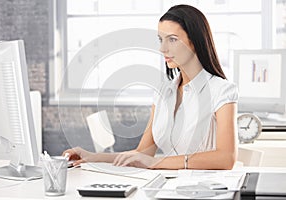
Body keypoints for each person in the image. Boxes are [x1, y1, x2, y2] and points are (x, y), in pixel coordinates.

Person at [62, 4, 238, 170]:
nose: (162, 48)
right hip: (166, 185)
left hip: (206, 189)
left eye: (172, 40)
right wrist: (92, 157)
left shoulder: (221, 91)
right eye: (161, 40)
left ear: (195, 41)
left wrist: (156, 162)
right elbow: (143, 154)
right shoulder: (163, 93)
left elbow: (226, 158)